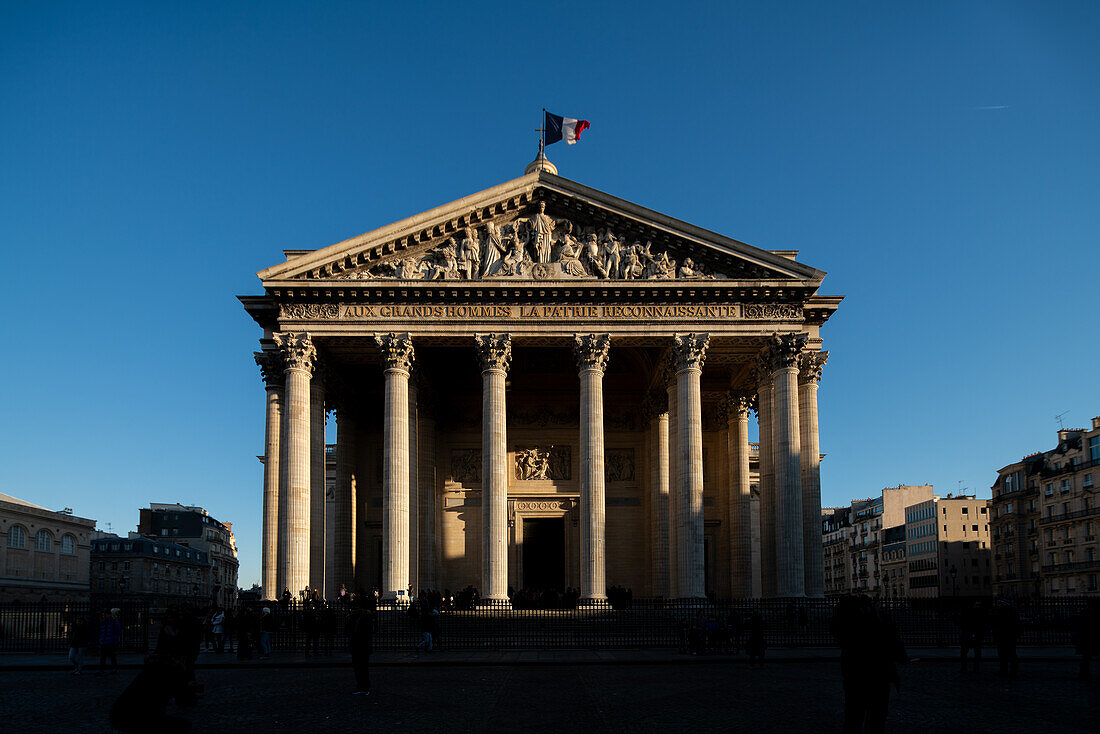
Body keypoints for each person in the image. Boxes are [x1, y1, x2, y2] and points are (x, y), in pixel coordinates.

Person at [108, 608, 200, 734]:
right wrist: (189, 688)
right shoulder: (171, 668)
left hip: (124, 714)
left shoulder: (159, 663)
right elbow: (184, 700)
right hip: (133, 718)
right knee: (182, 726)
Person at [832, 595, 908, 734]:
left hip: (854, 676)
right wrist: (903, 659)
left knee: (853, 716)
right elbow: (894, 643)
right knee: (877, 717)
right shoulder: (881, 620)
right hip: (879, 675)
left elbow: (840, 639)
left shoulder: (847, 624)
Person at [348, 599, 373, 695]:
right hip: (363, 647)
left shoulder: (361, 620)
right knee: (362, 667)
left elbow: (353, 632)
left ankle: (363, 686)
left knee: (360, 667)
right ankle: (363, 686)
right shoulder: (367, 619)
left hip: (360, 646)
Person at [990, 599, 1020, 678]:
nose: (997, 605)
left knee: (1003, 655)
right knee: (1011, 654)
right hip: (1010, 636)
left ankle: (1004, 671)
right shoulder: (1013, 612)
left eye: (999, 603)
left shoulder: (999, 613)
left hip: (1002, 636)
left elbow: (995, 626)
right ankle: (1012, 670)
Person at [958, 601, 989, 675]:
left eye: (979, 605)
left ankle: (971, 668)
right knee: (969, 653)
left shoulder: (968, 613)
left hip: (972, 635)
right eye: (977, 605)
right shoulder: (981, 614)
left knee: (971, 653)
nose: (978, 606)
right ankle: (968, 667)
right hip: (971, 635)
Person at [1074, 599, 1100, 680]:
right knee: (1087, 655)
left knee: (1086, 655)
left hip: (1083, 637)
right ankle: (1084, 672)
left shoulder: (1083, 613)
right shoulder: (1095, 613)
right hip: (1090, 637)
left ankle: (1083, 672)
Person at [98, 608, 122, 674]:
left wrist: (114, 639)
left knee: (112, 656)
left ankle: (113, 669)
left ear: (109, 615)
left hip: (111, 642)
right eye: (103, 615)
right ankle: (102, 670)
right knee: (103, 657)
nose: (104, 616)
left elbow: (118, 631)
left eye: (105, 615)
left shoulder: (114, 622)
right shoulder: (103, 622)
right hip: (104, 642)